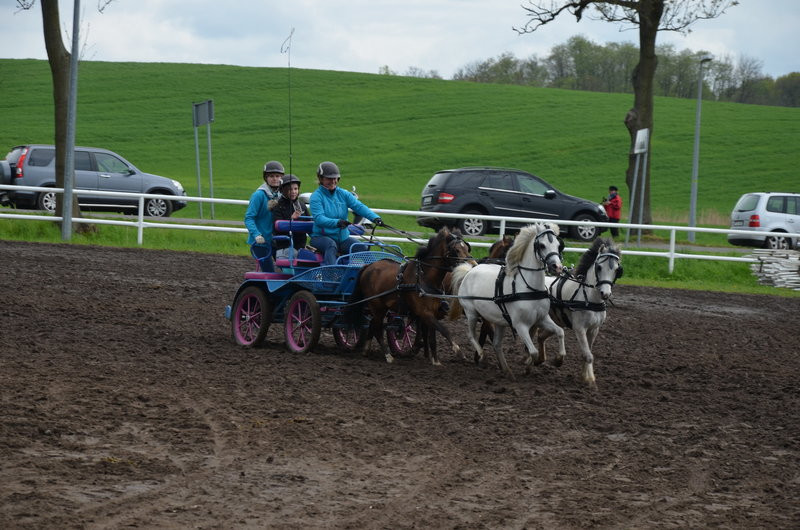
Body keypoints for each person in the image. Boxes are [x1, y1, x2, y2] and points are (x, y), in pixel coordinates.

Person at [309, 161, 383, 265]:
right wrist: (337, 222)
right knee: (331, 245)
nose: (333, 181)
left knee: (361, 247)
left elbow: (358, 206)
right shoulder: (316, 196)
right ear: (321, 179)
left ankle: (375, 272)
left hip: (342, 239)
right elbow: (319, 219)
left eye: (335, 178)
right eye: (329, 178)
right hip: (321, 238)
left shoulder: (343, 194)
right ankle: (332, 272)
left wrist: (375, 218)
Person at [244, 160, 285, 272]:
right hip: (261, 242)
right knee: (268, 272)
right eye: (271, 176)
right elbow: (249, 218)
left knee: (287, 269)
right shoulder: (258, 195)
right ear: (266, 178)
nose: (275, 179)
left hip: (278, 240)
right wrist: (256, 235)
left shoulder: (283, 195)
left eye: (277, 176)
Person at [272, 174, 310, 260]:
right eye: (290, 189)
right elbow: (276, 228)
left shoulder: (302, 205)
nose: (293, 192)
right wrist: (291, 219)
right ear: (283, 190)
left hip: (301, 247)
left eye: (295, 189)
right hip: (284, 247)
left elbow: (309, 223)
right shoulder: (278, 206)